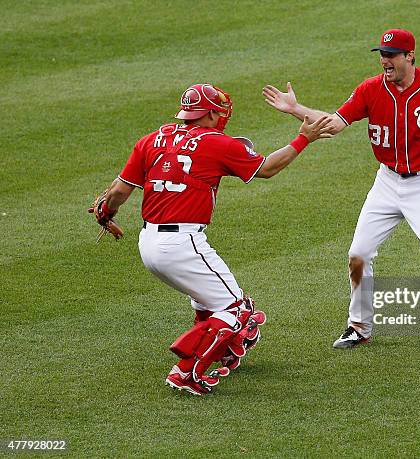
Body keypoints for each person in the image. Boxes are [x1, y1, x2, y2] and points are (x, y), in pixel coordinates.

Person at [90, 83, 332, 396]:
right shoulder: (217, 143)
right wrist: (304, 138)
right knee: (237, 310)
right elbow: (267, 169)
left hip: (148, 243)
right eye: (219, 110)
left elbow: (120, 191)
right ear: (211, 113)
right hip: (182, 244)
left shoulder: (153, 139)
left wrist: (105, 212)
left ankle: (222, 349)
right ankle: (186, 372)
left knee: (210, 299)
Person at [263, 28, 420, 357]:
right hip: (387, 181)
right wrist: (296, 109)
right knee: (358, 254)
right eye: (382, 53)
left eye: (392, 54)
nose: (385, 60)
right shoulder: (370, 89)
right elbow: (334, 123)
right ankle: (359, 327)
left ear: (410, 56)